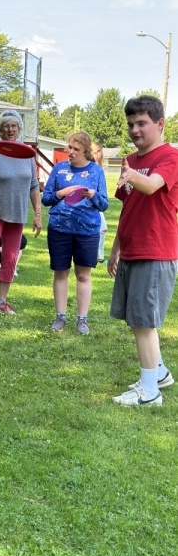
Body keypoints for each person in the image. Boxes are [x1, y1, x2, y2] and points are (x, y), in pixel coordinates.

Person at [108, 95, 178, 407]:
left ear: (160, 124)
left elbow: (150, 186)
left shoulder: (170, 157)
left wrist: (132, 175)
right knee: (137, 319)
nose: (135, 130)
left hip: (155, 250)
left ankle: (150, 393)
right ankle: (159, 373)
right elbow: (129, 208)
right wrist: (116, 249)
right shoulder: (131, 160)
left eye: (142, 123)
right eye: (131, 124)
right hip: (132, 249)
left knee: (144, 323)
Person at [0, 109, 42, 322]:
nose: (10, 130)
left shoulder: (27, 155)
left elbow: (33, 186)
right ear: (0, 130)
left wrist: (38, 214)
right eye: (6, 126)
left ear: (19, 129)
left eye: (14, 126)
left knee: (11, 258)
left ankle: (1, 301)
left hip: (17, 213)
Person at [42, 131, 108, 334]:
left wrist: (93, 195)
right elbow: (46, 199)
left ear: (85, 151)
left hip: (87, 231)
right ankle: (60, 317)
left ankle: (82, 320)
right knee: (61, 272)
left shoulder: (96, 171)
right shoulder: (59, 169)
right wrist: (60, 193)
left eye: (75, 149)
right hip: (59, 229)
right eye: (69, 147)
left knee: (83, 275)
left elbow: (104, 204)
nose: (70, 152)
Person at [91, 142, 108, 264]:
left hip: (99, 201)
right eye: (100, 151)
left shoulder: (99, 167)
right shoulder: (93, 168)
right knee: (101, 228)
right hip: (93, 201)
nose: (101, 154)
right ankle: (98, 255)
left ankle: (99, 255)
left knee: (103, 228)